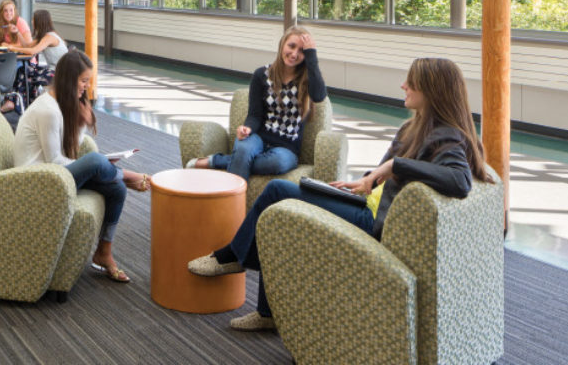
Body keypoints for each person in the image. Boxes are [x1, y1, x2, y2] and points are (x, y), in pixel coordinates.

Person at [186, 57, 493, 331]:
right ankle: (266, 310)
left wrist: (395, 165)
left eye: (411, 82)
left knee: (278, 190)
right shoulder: (412, 128)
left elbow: (460, 181)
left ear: (432, 90)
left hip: (373, 223)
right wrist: (364, 182)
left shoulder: (447, 135)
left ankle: (234, 256)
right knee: (279, 209)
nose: (403, 85)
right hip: (364, 203)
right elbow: (379, 178)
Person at [13, 50, 151, 283]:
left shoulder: (59, 105)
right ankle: (127, 175)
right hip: (35, 183)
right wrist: (97, 164)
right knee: (98, 161)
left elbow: (70, 154)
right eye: (84, 81)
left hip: (51, 176)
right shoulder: (47, 110)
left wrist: (81, 124)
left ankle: (104, 253)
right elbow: (54, 162)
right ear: (69, 79)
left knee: (116, 188)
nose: (86, 87)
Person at [186, 26, 326, 182]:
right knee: (243, 148)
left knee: (275, 162)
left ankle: (217, 161)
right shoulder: (261, 75)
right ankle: (232, 202)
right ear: (282, 44)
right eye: (291, 46)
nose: (294, 54)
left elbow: (319, 96)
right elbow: (255, 115)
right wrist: (248, 128)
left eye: (302, 51)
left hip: (286, 149)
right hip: (259, 137)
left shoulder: (306, 80)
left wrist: (312, 55)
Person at [0, 9, 67, 113]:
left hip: (58, 74)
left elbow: (33, 51)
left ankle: (14, 103)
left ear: (39, 21)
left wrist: (12, 48)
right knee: (24, 71)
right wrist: (17, 32)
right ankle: (25, 105)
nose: (32, 21)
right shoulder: (46, 36)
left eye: (33, 19)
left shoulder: (49, 37)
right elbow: (27, 46)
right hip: (55, 71)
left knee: (24, 72)